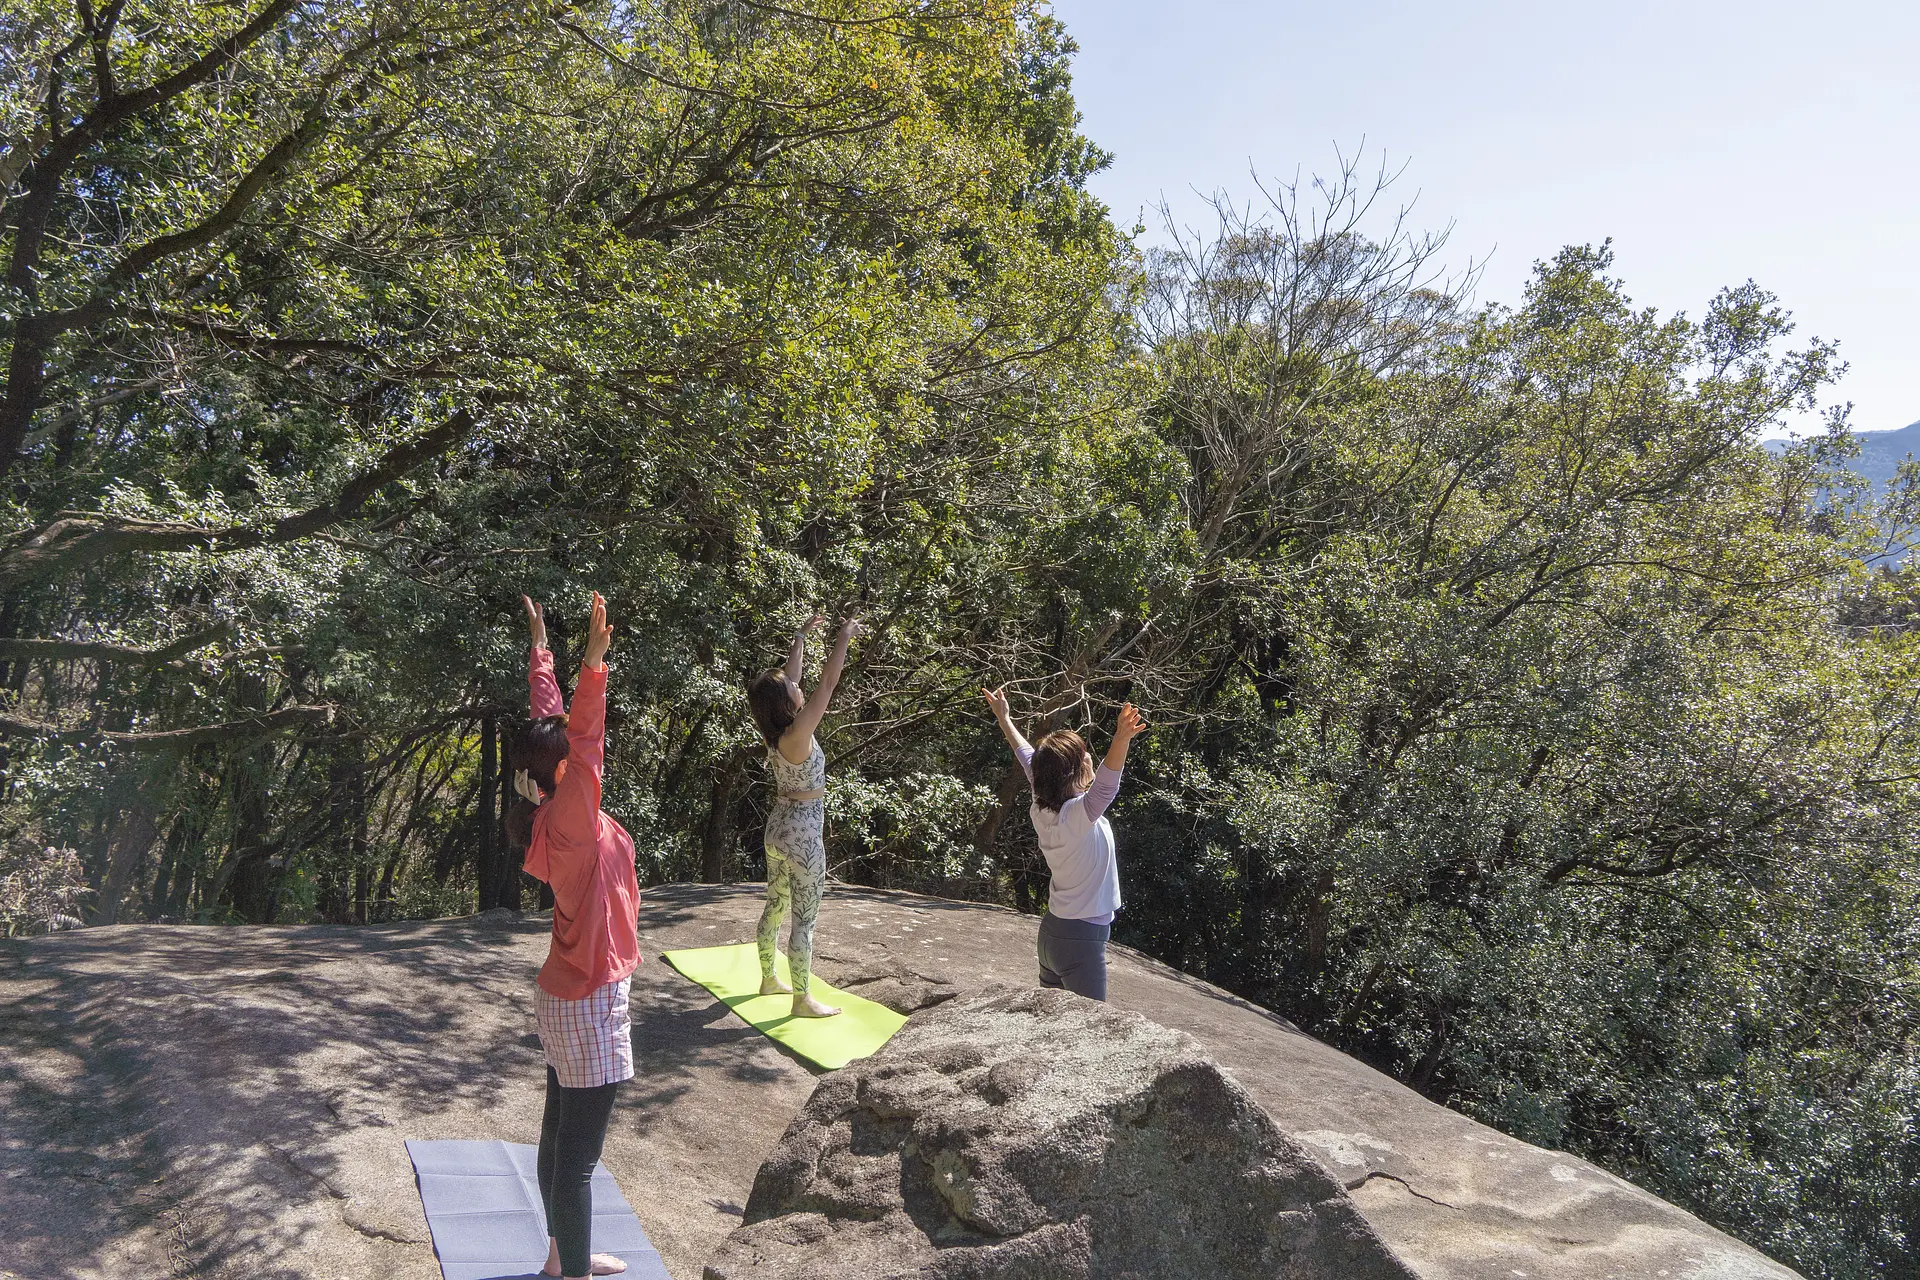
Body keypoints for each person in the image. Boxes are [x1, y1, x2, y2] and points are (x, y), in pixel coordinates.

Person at [509, 592, 638, 1280]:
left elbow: (552, 724)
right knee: (577, 1160)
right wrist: (594, 666)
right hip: (590, 1000)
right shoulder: (572, 816)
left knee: (559, 1137)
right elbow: (582, 734)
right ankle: (572, 1273)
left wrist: (541, 649)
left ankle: (562, 1259)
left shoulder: (554, 806)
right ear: (561, 769)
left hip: (567, 995)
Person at [983, 687, 1145, 1001]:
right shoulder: (1076, 815)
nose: (1089, 757)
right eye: (1084, 756)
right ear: (1075, 772)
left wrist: (1004, 719)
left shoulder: (1042, 802)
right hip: (1081, 942)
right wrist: (1121, 738)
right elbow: (1106, 786)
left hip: (1053, 935)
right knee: (1093, 1025)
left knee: (1052, 1023)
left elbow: (1027, 756)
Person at [744, 613, 863, 1018]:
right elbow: (827, 684)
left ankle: (768, 979)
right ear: (786, 701)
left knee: (774, 906)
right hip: (803, 838)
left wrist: (800, 637)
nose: (799, 687)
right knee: (804, 921)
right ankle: (801, 1000)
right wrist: (843, 638)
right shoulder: (799, 735)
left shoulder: (774, 732)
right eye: (793, 689)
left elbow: (789, 679)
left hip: (777, 828)